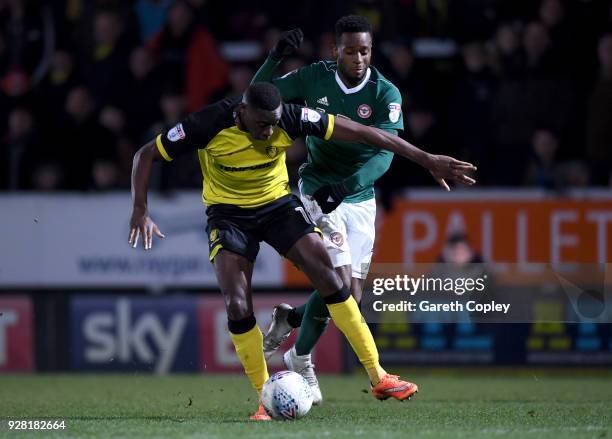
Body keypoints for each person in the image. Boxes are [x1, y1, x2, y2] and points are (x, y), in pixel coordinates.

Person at [128, 82, 476, 420]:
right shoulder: (206, 123)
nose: (269, 132)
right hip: (228, 215)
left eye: (275, 123)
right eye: (262, 124)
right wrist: (140, 210)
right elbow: (145, 155)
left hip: (277, 206)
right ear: (243, 113)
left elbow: (362, 133)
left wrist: (426, 158)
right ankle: (265, 397)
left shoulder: (291, 117)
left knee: (327, 272)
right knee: (236, 302)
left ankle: (379, 376)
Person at [249, 16, 420, 403]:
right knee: (339, 284)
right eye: (350, 50)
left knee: (351, 295)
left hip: (357, 198)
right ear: (335, 50)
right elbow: (257, 96)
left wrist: (346, 188)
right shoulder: (314, 77)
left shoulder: (385, 93)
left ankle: (291, 323)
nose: (358, 58)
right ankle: (311, 359)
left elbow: (385, 156)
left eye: (364, 51)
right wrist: (274, 58)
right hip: (316, 188)